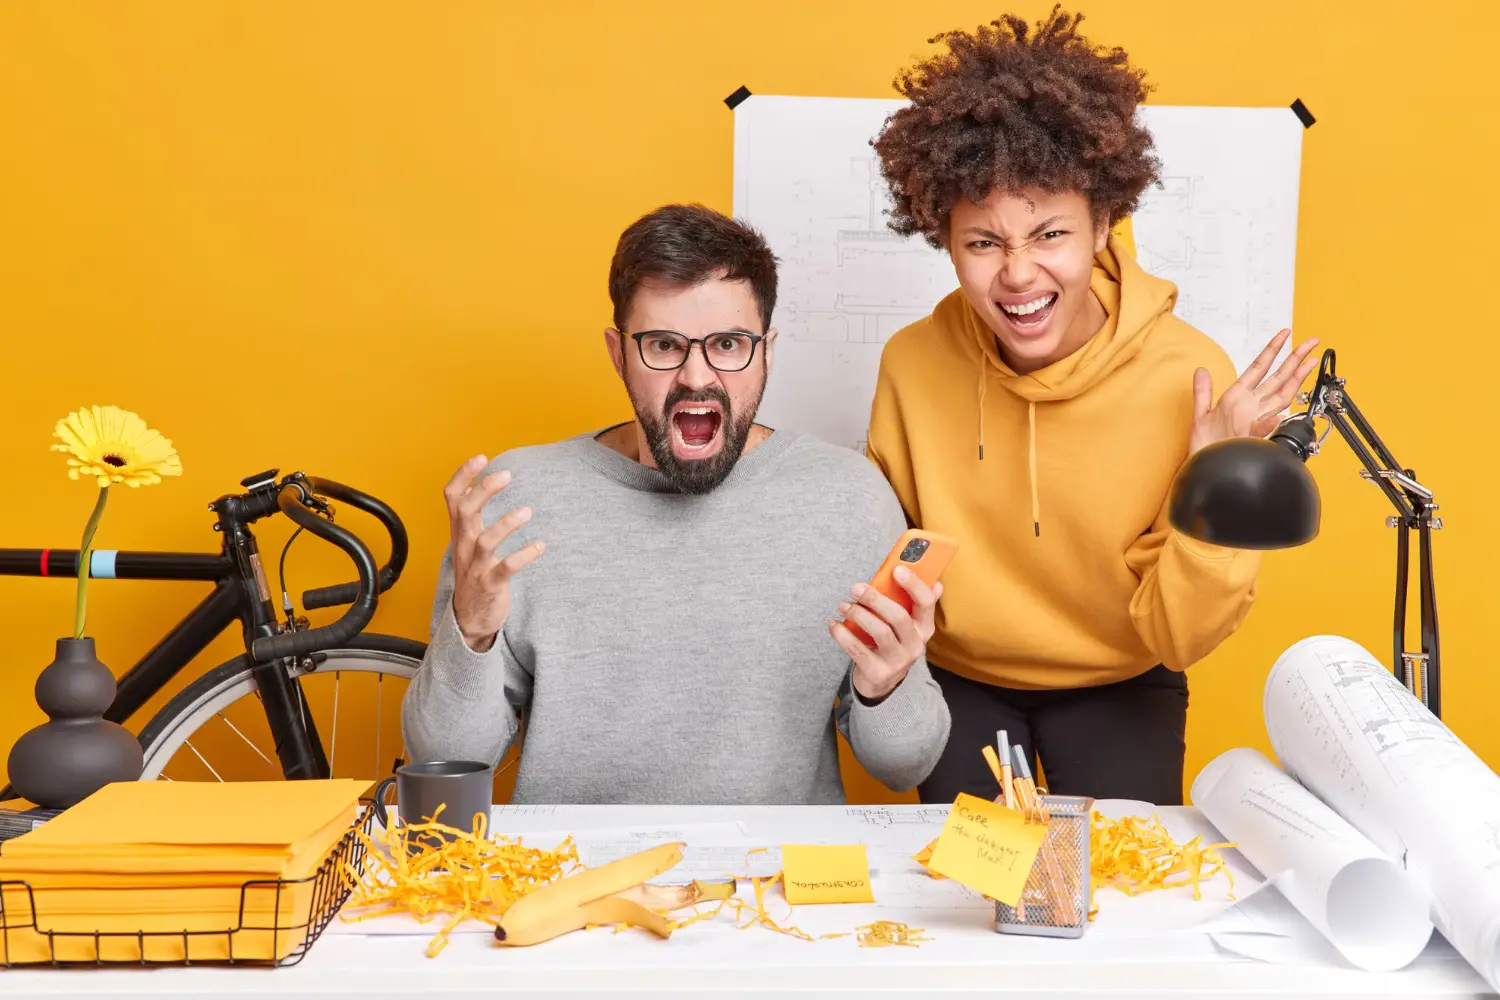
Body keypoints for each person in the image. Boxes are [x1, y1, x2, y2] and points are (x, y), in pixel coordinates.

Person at [863, 7, 1320, 806]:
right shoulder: (912, 363)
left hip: (1120, 678)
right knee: (968, 898)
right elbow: (899, 552)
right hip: (960, 680)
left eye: (1049, 235)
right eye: (983, 243)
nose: (1017, 274)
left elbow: (1180, 635)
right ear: (946, 240)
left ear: (1104, 226)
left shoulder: (1189, 376)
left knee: (1123, 893)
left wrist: (1218, 474)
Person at [401, 203, 951, 806]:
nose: (696, 377)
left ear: (767, 350)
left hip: (776, 889)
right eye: (663, 344)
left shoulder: (849, 497)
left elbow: (905, 766)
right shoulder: (518, 500)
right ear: (618, 354)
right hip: (575, 880)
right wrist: (470, 632)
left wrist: (888, 684)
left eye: (728, 343)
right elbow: (445, 758)